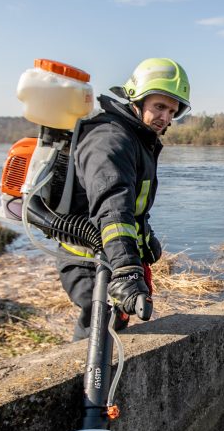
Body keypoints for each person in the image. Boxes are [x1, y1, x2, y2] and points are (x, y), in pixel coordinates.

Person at [56, 57, 191, 340]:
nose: (165, 117)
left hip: (107, 254)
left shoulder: (137, 138)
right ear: (136, 99)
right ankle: (88, 383)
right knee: (99, 328)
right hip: (89, 259)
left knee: (114, 324)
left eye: (171, 111)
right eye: (159, 106)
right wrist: (127, 270)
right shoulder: (111, 140)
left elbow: (134, 206)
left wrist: (145, 238)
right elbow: (113, 210)